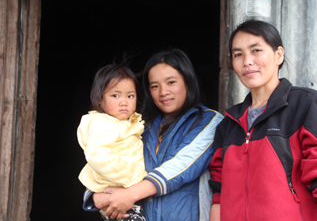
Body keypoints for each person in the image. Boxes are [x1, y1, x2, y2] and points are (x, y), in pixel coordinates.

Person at [208, 19, 317, 221]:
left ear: (279, 55)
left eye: (256, 50)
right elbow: (219, 192)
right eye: (238, 54)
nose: (247, 61)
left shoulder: (309, 105)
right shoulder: (228, 124)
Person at [82, 48, 224, 221]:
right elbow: (111, 157)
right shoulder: (142, 126)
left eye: (171, 82)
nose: (163, 92)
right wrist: (96, 194)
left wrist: (130, 194)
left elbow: (180, 167)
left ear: (188, 81)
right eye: (154, 86)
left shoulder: (210, 121)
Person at [77, 63, 147, 221]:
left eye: (130, 96)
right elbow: (97, 156)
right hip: (116, 192)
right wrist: (137, 177)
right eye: (115, 95)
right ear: (99, 99)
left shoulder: (126, 123)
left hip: (127, 192)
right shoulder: (103, 124)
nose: (124, 102)